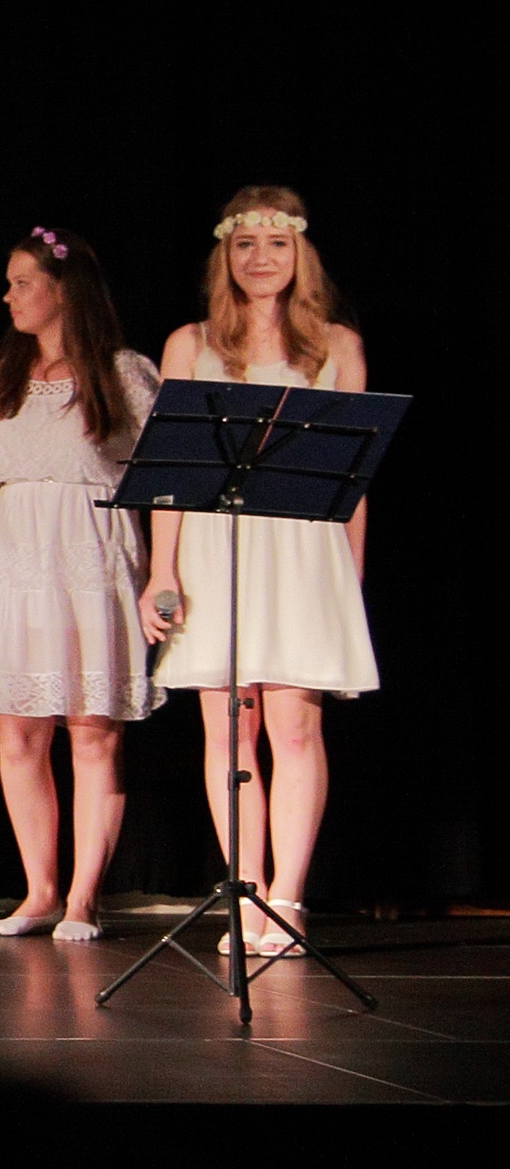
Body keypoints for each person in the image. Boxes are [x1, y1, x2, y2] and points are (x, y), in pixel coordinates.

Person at [140, 188, 374, 957]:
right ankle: (244, 892)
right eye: (245, 244)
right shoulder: (191, 343)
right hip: (217, 547)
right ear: (225, 255)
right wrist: (161, 571)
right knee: (228, 723)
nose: (261, 258)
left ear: (300, 254)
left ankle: (287, 897)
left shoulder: (335, 345)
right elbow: (171, 470)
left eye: (277, 243)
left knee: (295, 723)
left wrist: (350, 580)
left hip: (303, 549)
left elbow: (352, 478)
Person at [0, 227, 160, 941]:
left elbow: (164, 483)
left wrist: (158, 575)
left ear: (64, 290)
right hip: (15, 565)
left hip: (91, 559)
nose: (8, 296)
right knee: (18, 735)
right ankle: (40, 889)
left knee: (91, 733)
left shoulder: (124, 372)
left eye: (23, 283)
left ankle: (82, 897)